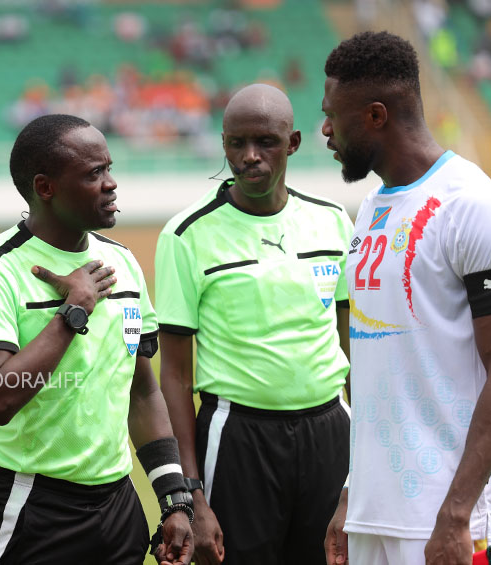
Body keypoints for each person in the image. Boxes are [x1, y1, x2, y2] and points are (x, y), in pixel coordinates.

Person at [321, 31, 491, 565]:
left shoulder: (472, 206)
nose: (324, 130)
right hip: (376, 513)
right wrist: (352, 492)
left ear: (375, 116)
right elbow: (376, 371)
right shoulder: (369, 210)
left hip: (451, 518)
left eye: (332, 115)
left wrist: (457, 514)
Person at [0, 114, 194, 565]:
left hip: (118, 507)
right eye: (93, 174)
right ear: (45, 187)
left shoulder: (122, 263)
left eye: (108, 169)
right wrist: (73, 313)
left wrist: (173, 497)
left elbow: (142, 391)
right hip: (33, 505)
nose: (111, 184)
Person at [155, 84, 353, 564]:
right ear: (222, 144)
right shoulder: (186, 236)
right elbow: (176, 378)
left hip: (329, 430)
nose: (249, 156)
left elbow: (359, 350)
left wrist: (358, 477)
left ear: (294, 142)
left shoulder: (333, 222)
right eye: (235, 143)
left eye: (265, 141)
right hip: (238, 435)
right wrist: (192, 495)